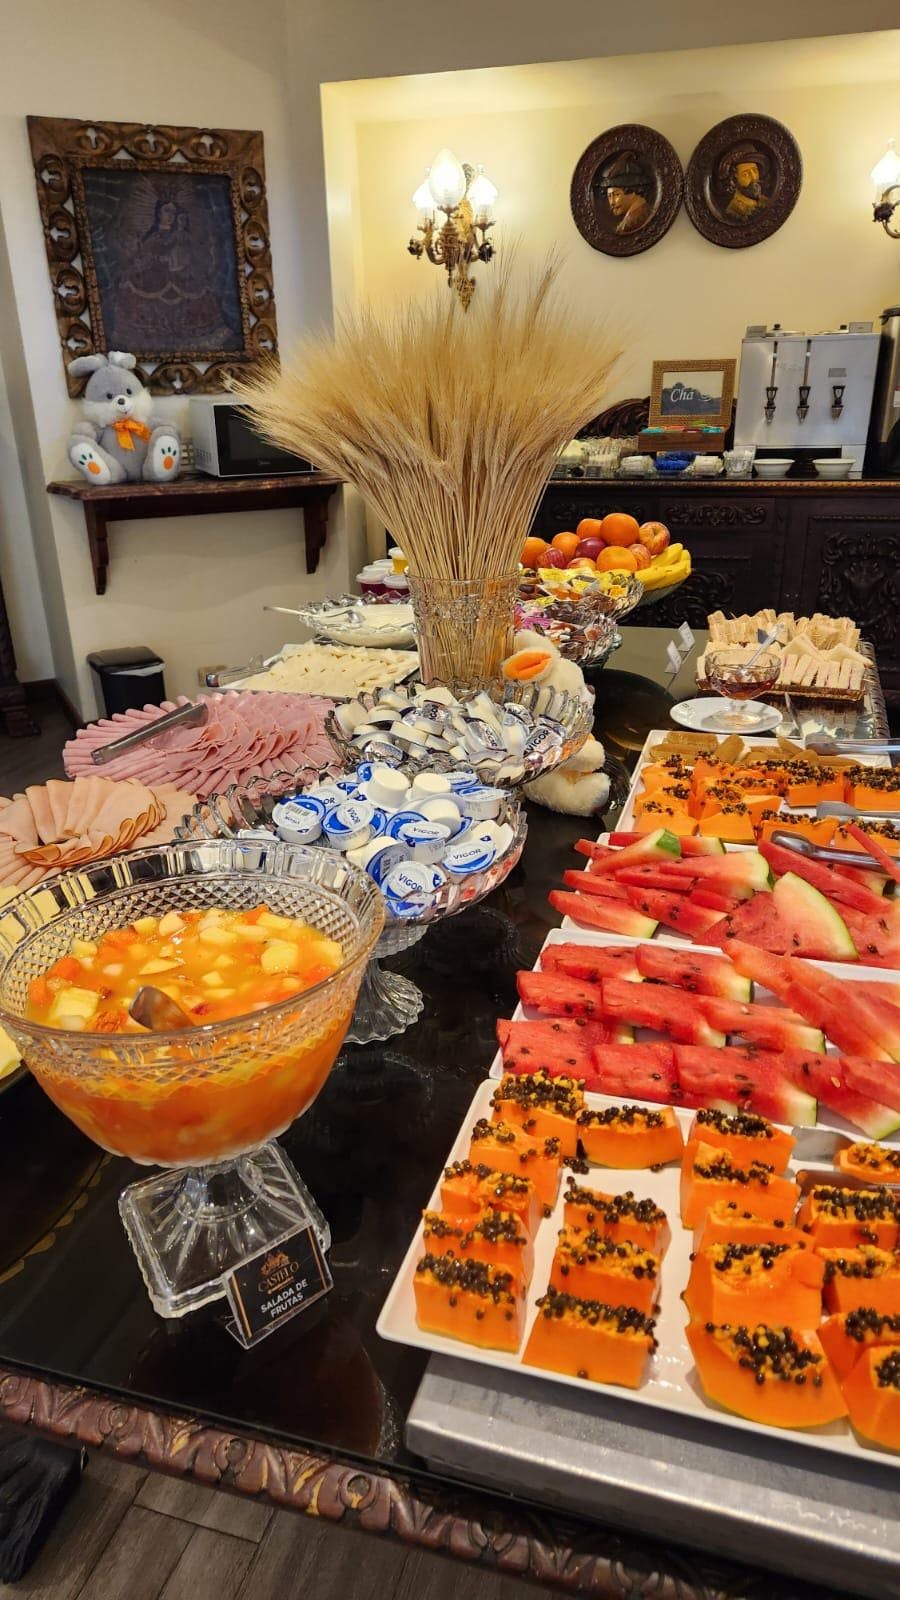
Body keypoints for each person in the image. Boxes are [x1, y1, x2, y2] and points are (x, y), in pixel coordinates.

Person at [596, 153, 655, 235]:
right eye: (609, 196)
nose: (612, 202)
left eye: (616, 195)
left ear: (633, 192)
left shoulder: (630, 224)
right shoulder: (648, 211)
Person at [718, 144, 770, 224]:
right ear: (735, 179)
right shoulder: (733, 212)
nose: (754, 178)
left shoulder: (765, 202)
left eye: (755, 170)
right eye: (745, 174)